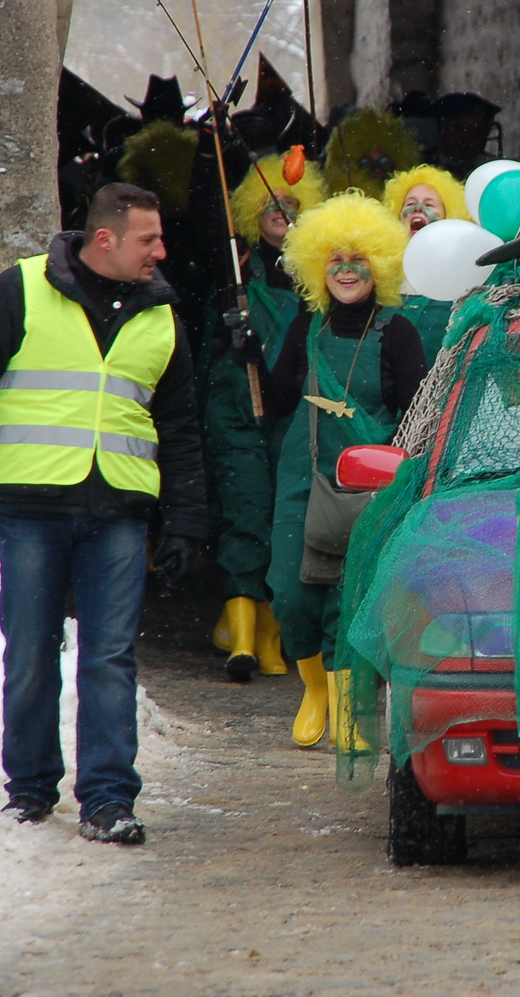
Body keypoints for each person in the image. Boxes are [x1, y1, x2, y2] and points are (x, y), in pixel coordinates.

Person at [0, 183, 206, 844]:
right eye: (149, 239)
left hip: (119, 512)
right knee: (30, 650)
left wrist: (189, 521)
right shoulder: (18, 291)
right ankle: (29, 788)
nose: (161, 251)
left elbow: (183, 428)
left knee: (110, 657)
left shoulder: (161, 315)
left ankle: (108, 798)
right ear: (104, 239)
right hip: (32, 508)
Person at [264, 193, 427, 748]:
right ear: (318, 268)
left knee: (351, 597)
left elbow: (417, 417)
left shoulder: (399, 334)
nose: (347, 269)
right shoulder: (305, 329)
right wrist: (250, 350)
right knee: (289, 593)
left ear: (378, 265)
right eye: (334, 259)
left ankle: (351, 708)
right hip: (302, 482)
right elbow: (279, 398)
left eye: (359, 258)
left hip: (368, 484)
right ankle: (314, 688)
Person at [205, 156, 325, 681]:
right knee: (245, 515)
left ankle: (275, 635)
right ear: (255, 213)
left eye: (293, 204)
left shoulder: (318, 276)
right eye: (273, 204)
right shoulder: (234, 274)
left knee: (287, 522)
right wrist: (232, 339)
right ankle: (243, 639)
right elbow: (205, 357)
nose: (282, 212)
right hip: (237, 411)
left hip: (295, 414)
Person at [383, 163, 470, 364]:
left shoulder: (460, 268)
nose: (418, 208)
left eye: (429, 205)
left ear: (447, 216)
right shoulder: (382, 268)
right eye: (410, 203)